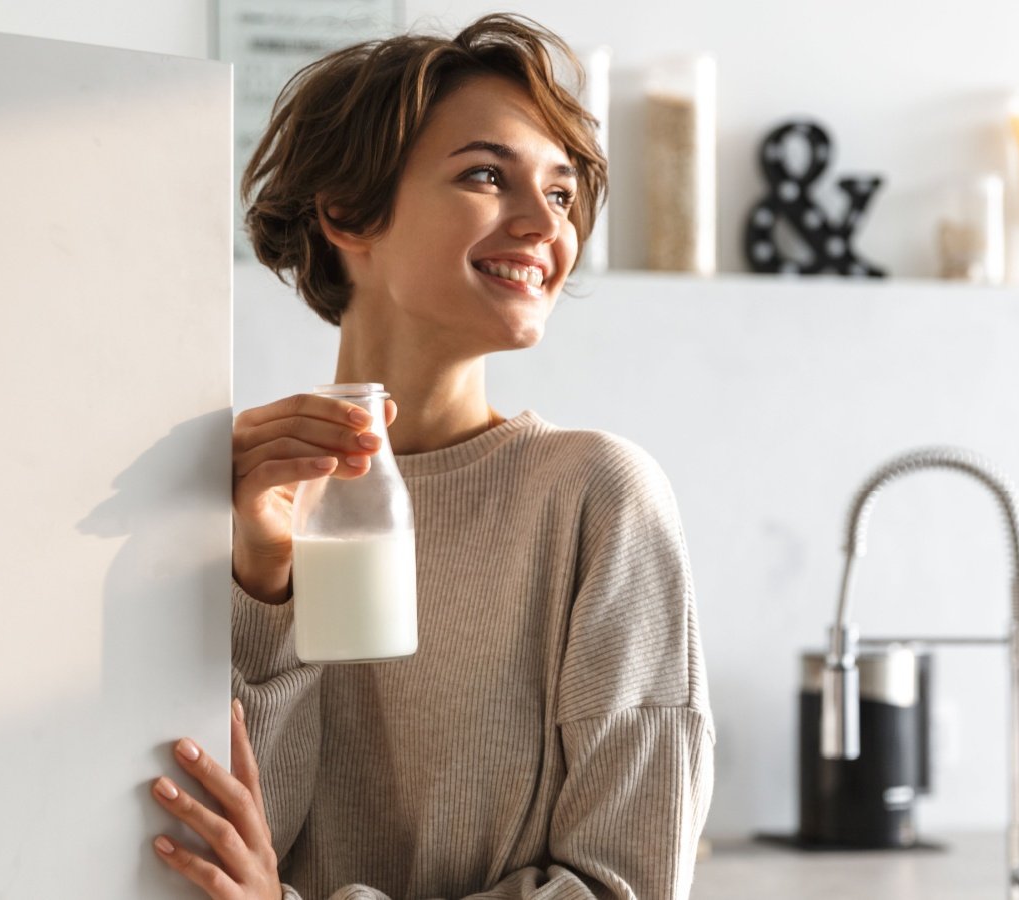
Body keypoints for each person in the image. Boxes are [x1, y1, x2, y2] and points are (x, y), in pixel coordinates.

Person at [148, 13, 714, 899]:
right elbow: (203, 841)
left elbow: (623, 884)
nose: (544, 225)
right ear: (348, 213)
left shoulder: (597, 496)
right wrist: (262, 581)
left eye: (562, 194)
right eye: (489, 175)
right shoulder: (235, 490)